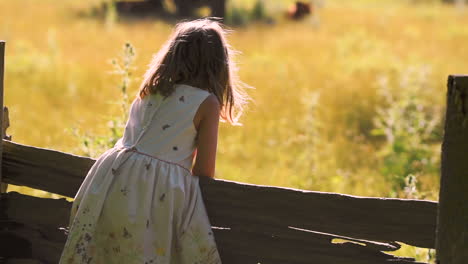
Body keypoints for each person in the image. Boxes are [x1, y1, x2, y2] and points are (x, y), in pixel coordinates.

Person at [59, 18, 249, 264]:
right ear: (218, 64)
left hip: (108, 180)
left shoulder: (150, 90)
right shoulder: (207, 103)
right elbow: (204, 171)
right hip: (149, 195)